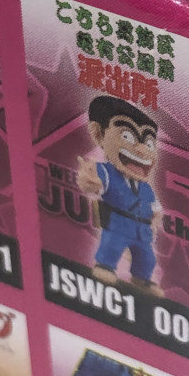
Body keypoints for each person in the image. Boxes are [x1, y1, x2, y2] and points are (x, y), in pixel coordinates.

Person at [77, 96, 163, 295]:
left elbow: (156, 208)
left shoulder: (146, 188)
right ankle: (105, 266)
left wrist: (154, 221)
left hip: (142, 229)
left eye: (148, 144)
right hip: (118, 223)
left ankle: (142, 279)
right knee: (112, 246)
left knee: (147, 258)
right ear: (100, 134)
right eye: (128, 137)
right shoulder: (107, 172)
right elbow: (96, 185)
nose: (142, 149)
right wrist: (90, 182)